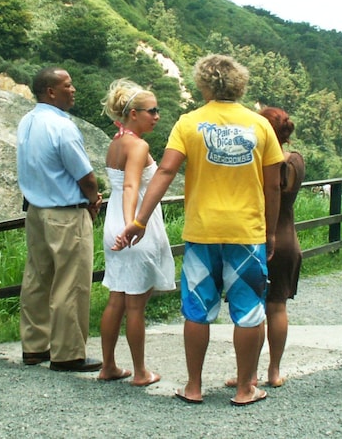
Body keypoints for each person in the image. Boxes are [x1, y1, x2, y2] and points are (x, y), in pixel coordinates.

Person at [114, 54, 283, 407]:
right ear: (239, 83)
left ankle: (193, 386)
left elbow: (164, 173)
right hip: (246, 232)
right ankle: (244, 389)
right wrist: (270, 231)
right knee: (250, 311)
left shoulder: (189, 123)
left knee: (197, 310)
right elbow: (273, 186)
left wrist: (139, 220)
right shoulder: (260, 125)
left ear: (204, 84)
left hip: (202, 231)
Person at [16, 67, 103, 372]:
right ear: (51, 91)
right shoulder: (62, 126)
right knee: (70, 283)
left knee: (38, 278)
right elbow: (86, 177)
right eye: (67, 85)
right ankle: (67, 353)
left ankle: (34, 345)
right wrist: (93, 200)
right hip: (66, 213)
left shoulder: (27, 121)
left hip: (36, 211)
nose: (73, 89)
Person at [97, 79, 175, 386]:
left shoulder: (115, 142)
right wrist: (133, 224)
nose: (156, 116)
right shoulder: (139, 146)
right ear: (133, 114)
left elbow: (123, 185)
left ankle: (108, 366)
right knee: (135, 305)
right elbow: (131, 185)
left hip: (112, 222)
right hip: (132, 227)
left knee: (117, 297)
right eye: (151, 111)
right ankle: (140, 372)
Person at [253, 107, 304, 388]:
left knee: (253, 310)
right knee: (278, 307)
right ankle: (274, 371)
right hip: (288, 239)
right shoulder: (296, 160)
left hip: (260, 238)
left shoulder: (260, 163)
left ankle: (248, 373)